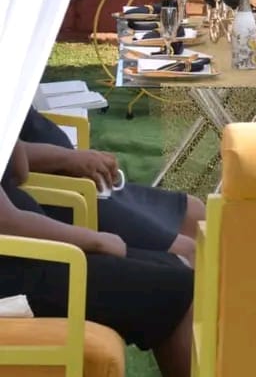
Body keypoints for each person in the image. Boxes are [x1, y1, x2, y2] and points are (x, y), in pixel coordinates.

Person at [0, 138, 193, 377]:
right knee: (180, 290)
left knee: (173, 267)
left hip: (33, 256)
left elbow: (19, 170)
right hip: (19, 272)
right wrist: (95, 240)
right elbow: (6, 222)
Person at [18, 107, 205, 266]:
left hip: (81, 181)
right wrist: (68, 159)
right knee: (188, 254)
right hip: (64, 197)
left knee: (194, 210)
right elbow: (13, 159)